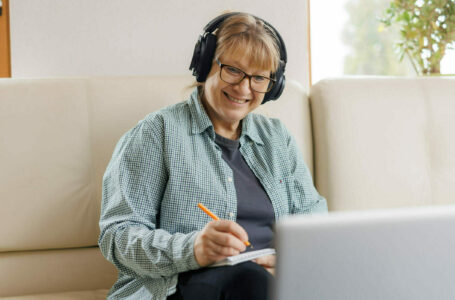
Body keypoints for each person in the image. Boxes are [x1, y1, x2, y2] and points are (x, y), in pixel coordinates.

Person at [98, 12, 327, 300]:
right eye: (232, 70)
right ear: (206, 64)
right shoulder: (157, 133)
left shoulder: (277, 139)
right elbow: (117, 237)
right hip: (181, 287)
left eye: (258, 78)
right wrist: (192, 249)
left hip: (271, 287)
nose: (244, 88)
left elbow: (314, 221)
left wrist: (292, 262)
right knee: (249, 283)